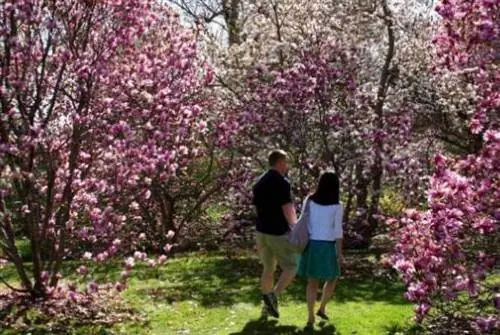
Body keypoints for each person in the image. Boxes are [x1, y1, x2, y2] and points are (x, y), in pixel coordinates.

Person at [252, 150, 298, 319]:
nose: (288, 166)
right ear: (280, 162)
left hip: (261, 231)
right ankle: (274, 297)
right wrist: (295, 226)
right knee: (291, 266)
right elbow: (287, 208)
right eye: (286, 162)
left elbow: (256, 209)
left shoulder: (259, 182)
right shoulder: (282, 182)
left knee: (268, 268)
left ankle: (266, 307)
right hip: (277, 232)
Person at [297, 171, 344, 328]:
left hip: (312, 245)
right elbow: (337, 231)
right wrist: (340, 252)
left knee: (312, 282)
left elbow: (302, 220)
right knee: (332, 278)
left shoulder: (309, 200)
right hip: (327, 246)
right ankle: (322, 307)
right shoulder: (338, 205)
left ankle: (311, 316)